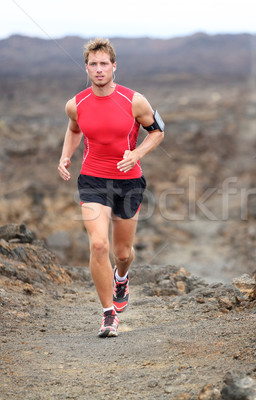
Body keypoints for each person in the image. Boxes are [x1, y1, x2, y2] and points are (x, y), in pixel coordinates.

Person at [57, 38, 165, 337]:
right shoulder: (75, 104)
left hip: (129, 181)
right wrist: (66, 155)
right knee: (98, 244)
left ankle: (122, 277)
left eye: (104, 63)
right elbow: (74, 129)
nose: (99, 69)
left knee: (122, 251)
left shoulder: (134, 101)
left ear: (114, 66)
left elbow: (157, 132)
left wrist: (137, 154)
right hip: (92, 179)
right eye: (93, 64)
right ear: (87, 67)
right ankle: (108, 315)